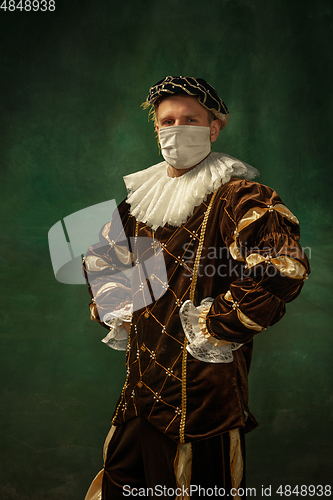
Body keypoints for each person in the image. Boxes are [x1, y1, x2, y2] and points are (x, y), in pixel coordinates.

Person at [83, 76, 310, 499]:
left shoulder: (237, 196)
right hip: (141, 386)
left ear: (214, 127)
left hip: (203, 391)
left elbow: (284, 267)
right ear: (155, 129)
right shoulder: (141, 201)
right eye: (166, 121)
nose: (176, 129)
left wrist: (213, 325)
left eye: (190, 119)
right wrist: (119, 300)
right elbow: (102, 264)